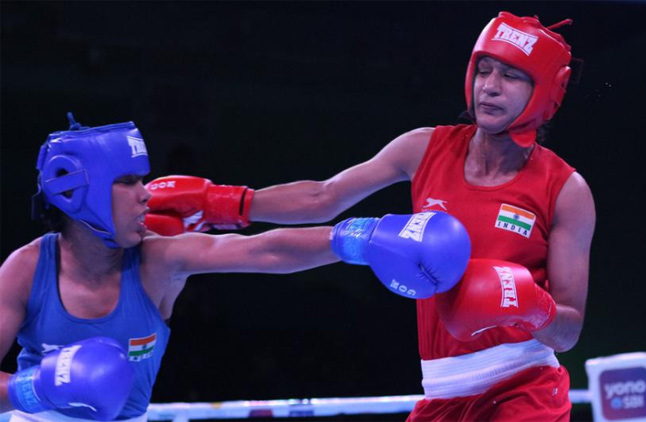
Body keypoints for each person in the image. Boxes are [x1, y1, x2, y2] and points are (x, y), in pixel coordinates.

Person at [146, 11, 595, 422]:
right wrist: (221, 204)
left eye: (510, 76)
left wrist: (530, 304)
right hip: (442, 394)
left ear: (543, 91)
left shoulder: (565, 190)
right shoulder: (425, 148)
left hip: (525, 391)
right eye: (484, 70)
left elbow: (568, 330)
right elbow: (323, 197)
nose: (489, 87)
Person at [0, 114, 471, 422]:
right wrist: (35, 388)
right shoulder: (25, 271)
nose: (146, 194)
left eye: (142, 180)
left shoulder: (157, 261)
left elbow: (263, 251)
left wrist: (358, 239)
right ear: (76, 194)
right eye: (127, 182)